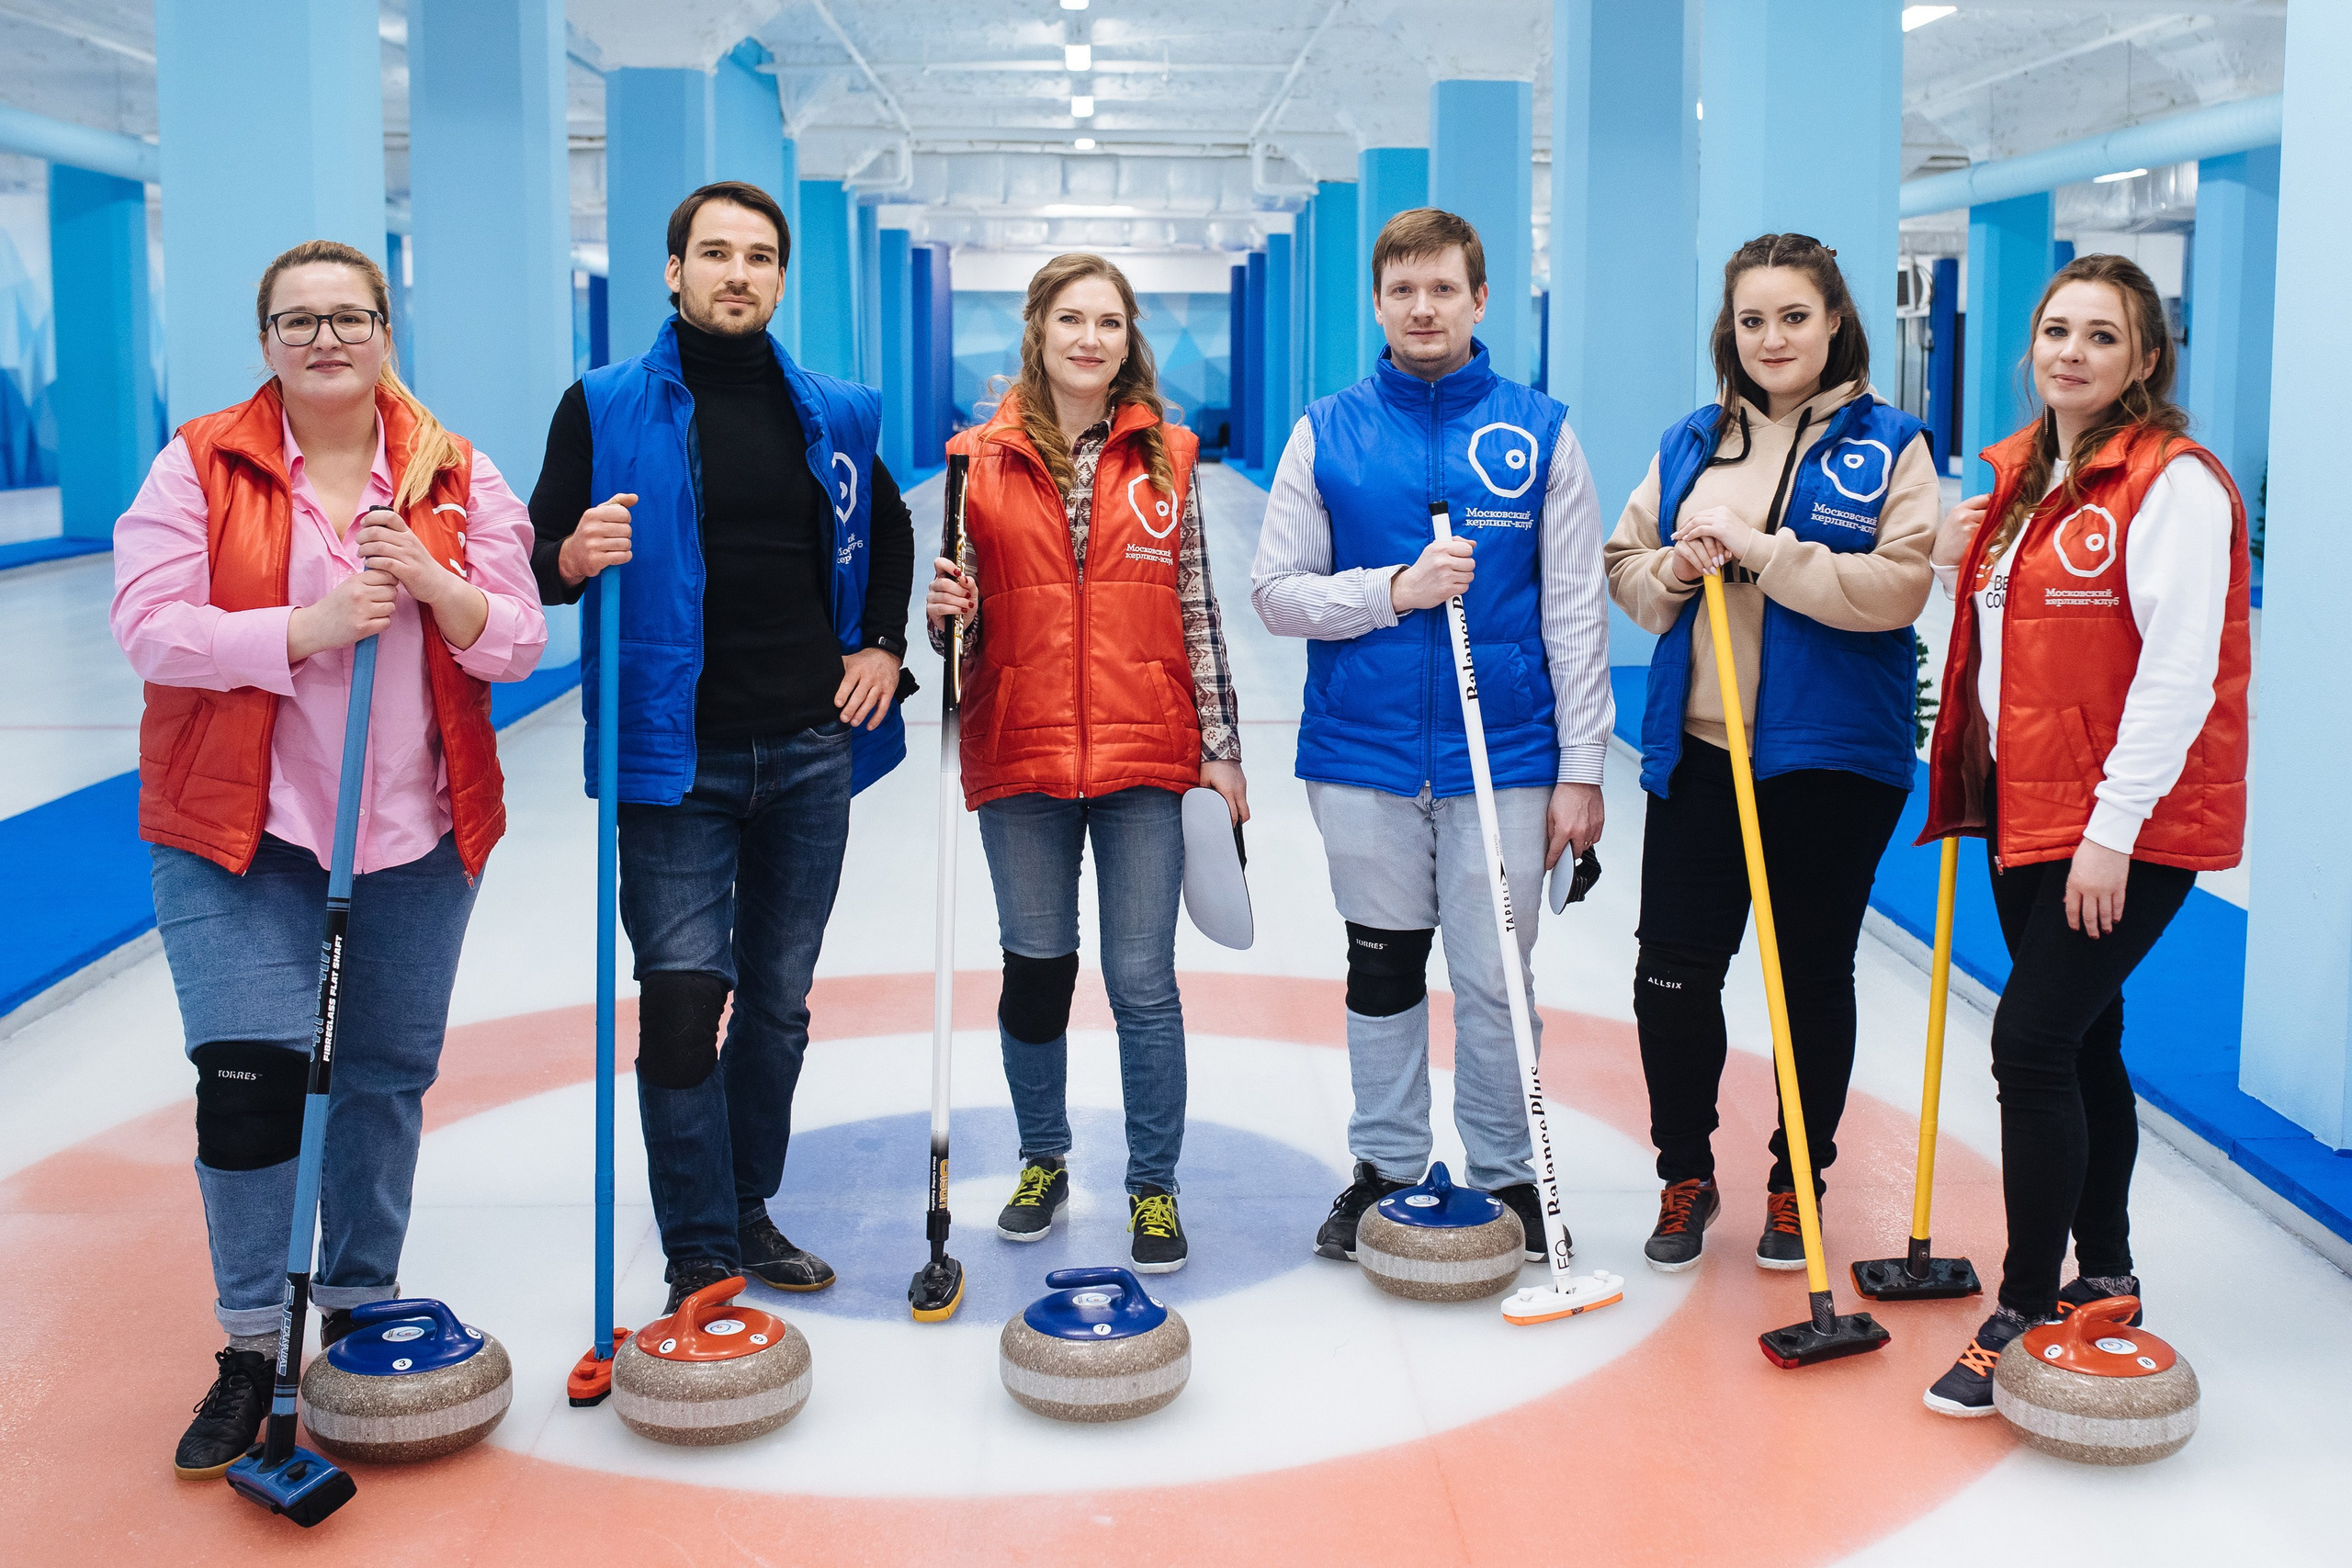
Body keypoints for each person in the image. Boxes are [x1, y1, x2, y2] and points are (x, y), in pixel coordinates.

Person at [113, 240, 548, 1478]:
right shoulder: (199, 461)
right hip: (241, 829)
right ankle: (254, 1340)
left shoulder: (455, 472)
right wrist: (303, 629)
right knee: (251, 1079)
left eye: (349, 316)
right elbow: (146, 626)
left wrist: (436, 586)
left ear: (384, 334)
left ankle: (357, 1299)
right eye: (297, 321)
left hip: (414, 823)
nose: (324, 339)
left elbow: (514, 638)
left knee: (381, 1073)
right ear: (265, 342)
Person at [530, 181, 916, 1314]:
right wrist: (574, 554)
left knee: (780, 1004)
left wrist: (884, 646)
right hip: (673, 758)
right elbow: (541, 555)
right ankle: (700, 1249)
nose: (735, 273)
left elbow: (885, 527)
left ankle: (750, 1208)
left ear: (780, 279)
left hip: (806, 750)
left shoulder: (834, 410)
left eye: (757, 256)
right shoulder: (602, 406)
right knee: (684, 999)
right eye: (713, 253)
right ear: (672, 271)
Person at [1917, 254, 2246, 1416]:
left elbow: (2178, 673)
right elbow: (1994, 648)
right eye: (2056, 330)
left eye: (2102, 337)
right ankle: (2104, 1271)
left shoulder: (2173, 484)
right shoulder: (2014, 481)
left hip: (2121, 825)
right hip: (2027, 806)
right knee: (2087, 1042)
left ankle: (2020, 1304)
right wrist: (1953, 562)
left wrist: (2111, 831)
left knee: (2030, 1045)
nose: (2071, 353)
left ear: (2147, 359)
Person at [1250, 209, 1612, 1265]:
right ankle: (1387, 1167)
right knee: (1383, 966)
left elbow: (1576, 612)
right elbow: (1276, 593)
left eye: (1443, 289)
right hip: (1360, 754)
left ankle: (1506, 1170)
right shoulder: (1329, 428)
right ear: (1378, 301)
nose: (1422, 308)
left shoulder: (1539, 430)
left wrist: (1582, 769)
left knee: (1498, 973)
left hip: (1504, 758)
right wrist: (1393, 591)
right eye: (1403, 290)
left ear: (1479, 298)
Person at [1603, 234, 1939, 1275]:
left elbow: (1897, 589)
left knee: (1805, 981)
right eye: (1752, 319)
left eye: (1794, 315)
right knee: (1671, 975)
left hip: (1831, 759)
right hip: (1703, 751)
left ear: (1835, 319)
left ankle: (1799, 1184)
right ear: (1729, 330)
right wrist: (1675, 562)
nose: (1772, 337)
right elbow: (1627, 573)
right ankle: (1683, 1172)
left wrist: (1765, 554)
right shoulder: (1691, 443)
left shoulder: (1892, 447)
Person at [925, 254, 1245, 1275]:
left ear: (1128, 338)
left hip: (1145, 751)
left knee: (1143, 980)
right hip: (1018, 751)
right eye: (1071, 319)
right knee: (1038, 969)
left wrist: (1224, 752)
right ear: (1038, 329)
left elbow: (1198, 612)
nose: (1090, 339)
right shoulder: (975, 461)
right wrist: (945, 621)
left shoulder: (1169, 457)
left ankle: (1152, 1188)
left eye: (1109, 322)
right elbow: (954, 638)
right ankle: (1043, 1159)